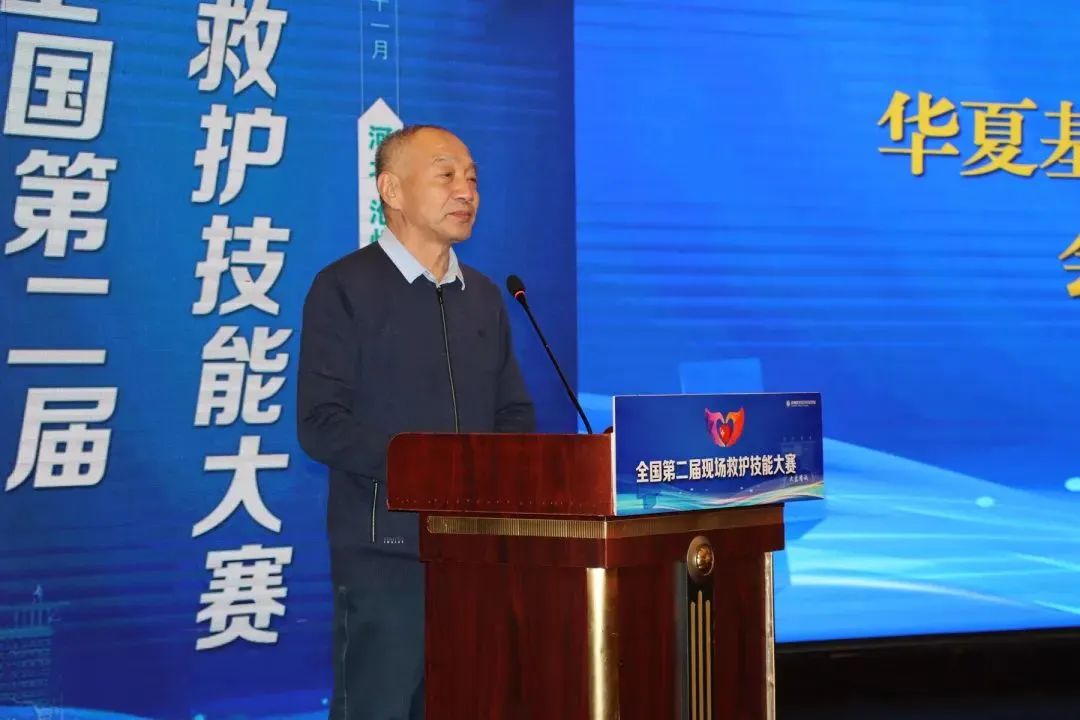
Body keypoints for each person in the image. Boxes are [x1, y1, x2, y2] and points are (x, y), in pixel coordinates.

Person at [296, 125, 536, 720]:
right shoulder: (344, 288)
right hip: (386, 556)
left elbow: (514, 413)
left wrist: (498, 478)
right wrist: (432, 470)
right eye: (446, 175)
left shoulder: (486, 296)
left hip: (478, 554)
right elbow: (321, 423)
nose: (467, 191)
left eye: (472, 178)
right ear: (392, 190)